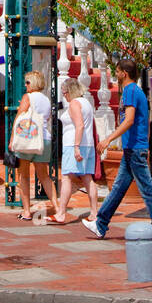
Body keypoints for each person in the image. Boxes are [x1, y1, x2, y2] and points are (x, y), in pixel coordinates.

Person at [82, 58, 152, 243]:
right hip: (134, 148)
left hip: (135, 149)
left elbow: (129, 119)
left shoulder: (131, 91)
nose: (116, 74)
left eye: (117, 71)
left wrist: (108, 138)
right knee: (119, 188)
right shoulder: (135, 91)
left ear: (124, 72)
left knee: (147, 190)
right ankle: (101, 223)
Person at [15, 69, 60, 221]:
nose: (25, 85)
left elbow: (20, 115)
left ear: (33, 83)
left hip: (28, 138)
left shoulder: (28, 97)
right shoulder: (46, 100)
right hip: (44, 139)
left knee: (23, 175)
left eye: (27, 82)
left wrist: (12, 138)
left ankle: (27, 211)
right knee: (44, 175)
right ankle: (57, 206)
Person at [54, 78, 98, 224]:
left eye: (64, 93)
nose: (64, 96)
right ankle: (94, 212)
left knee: (67, 177)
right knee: (87, 178)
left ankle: (61, 213)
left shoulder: (74, 103)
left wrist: (76, 146)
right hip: (88, 144)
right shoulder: (87, 103)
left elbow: (79, 126)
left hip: (73, 144)